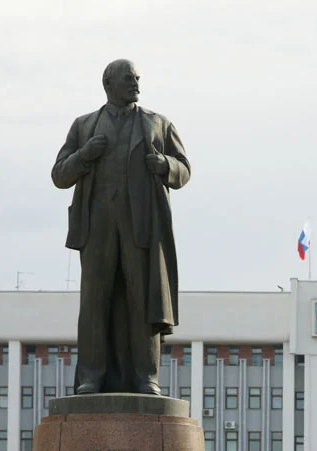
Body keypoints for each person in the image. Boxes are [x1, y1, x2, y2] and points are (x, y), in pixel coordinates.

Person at [51, 59, 191, 395]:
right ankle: (92, 376)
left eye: (137, 78)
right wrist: (85, 155)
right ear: (109, 84)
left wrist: (165, 165)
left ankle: (146, 376)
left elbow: (184, 169)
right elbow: (60, 175)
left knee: (144, 301)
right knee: (94, 302)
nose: (136, 83)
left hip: (141, 228)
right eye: (129, 78)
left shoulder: (157, 123)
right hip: (96, 227)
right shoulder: (84, 125)